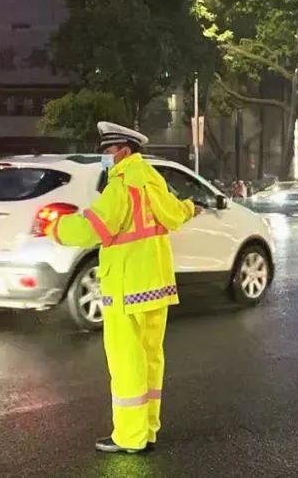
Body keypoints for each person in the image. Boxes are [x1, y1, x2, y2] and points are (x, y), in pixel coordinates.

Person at [47, 122, 200, 455]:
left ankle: (130, 437)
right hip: (156, 285)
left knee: (126, 362)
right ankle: (148, 428)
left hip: (127, 287)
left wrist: (55, 227)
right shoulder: (152, 178)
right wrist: (190, 207)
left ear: (123, 151)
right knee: (150, 358)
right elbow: (174, 214)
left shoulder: (120, 187)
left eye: (107, 151)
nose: (104, 158)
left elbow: (93, 228)